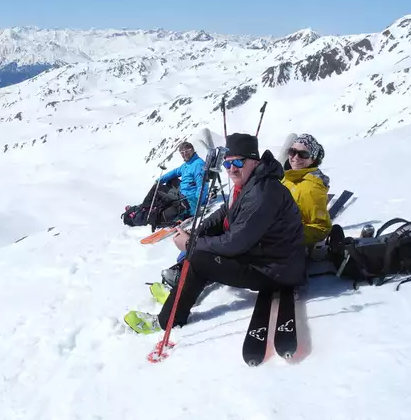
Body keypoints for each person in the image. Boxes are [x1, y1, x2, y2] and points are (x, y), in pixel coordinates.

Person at [125, 133, 305, 333]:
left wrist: (190, 244)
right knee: (204, 241)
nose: (232, 168)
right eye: (227, 164)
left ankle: (166, 321)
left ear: (254, 161)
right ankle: (181, 283)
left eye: (238, 161)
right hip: (263, 255)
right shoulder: (252, 183)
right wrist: (196, 231)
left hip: (276, 271)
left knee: (199, 260)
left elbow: (233, 244)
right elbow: (225, 212)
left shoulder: (262, 193)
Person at [282, 133, 332, 245]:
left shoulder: (312, 187)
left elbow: (321, 228)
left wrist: (288, 233)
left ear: (313, 159)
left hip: (290, 248)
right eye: (292, 152)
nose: (295, 157)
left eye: (303, 154)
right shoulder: (288, 178)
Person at [156, 142, 205, 219]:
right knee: (169, 180)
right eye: (182, 152)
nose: (184, 154)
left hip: (190, 199)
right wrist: (159, 180)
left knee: (160, 192)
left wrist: (196, 205)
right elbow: (175, 172)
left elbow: (202, 185)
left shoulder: (198, 164)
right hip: (183, 193)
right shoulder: (187, 164)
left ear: (192, 150)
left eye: (187, 151)